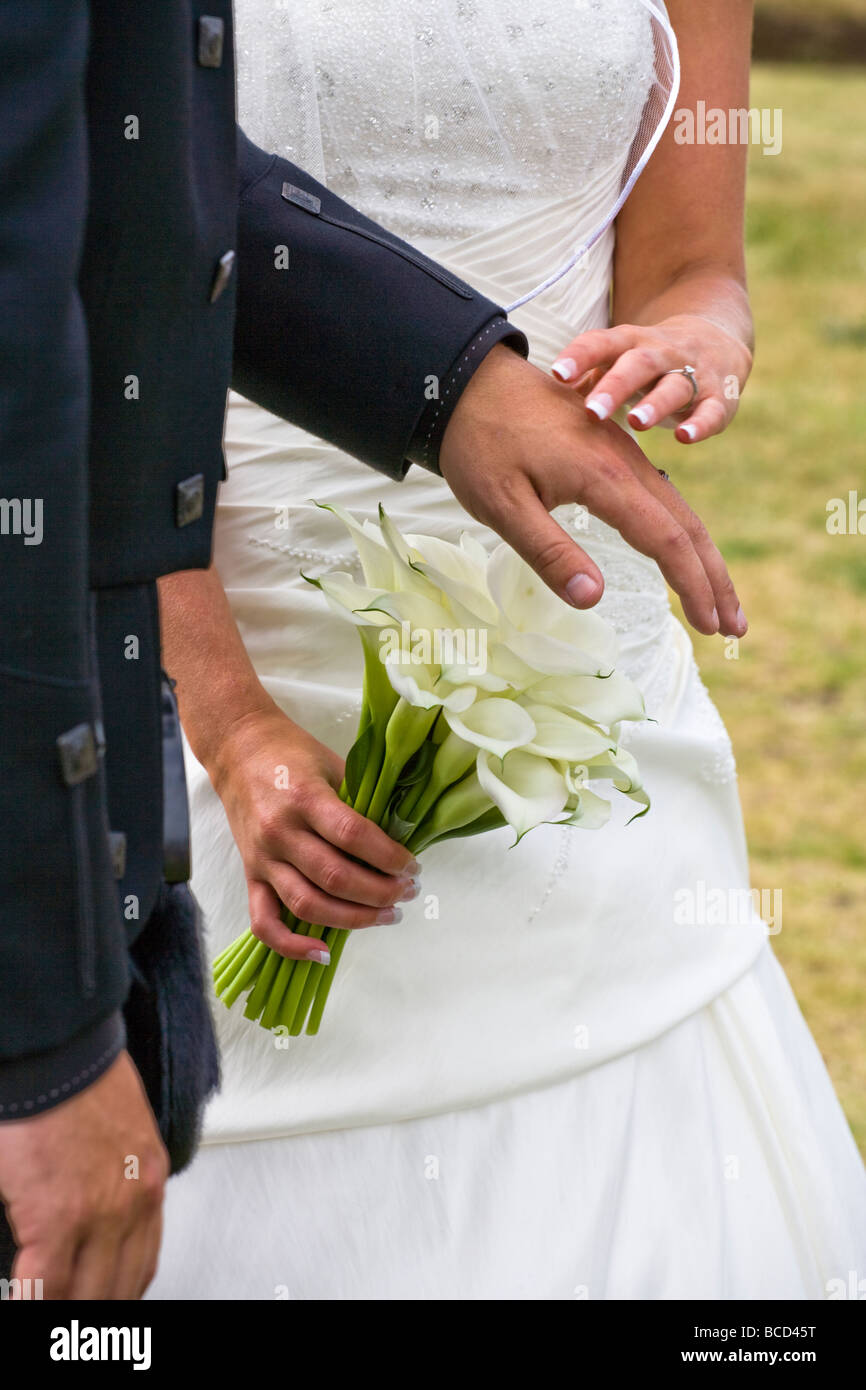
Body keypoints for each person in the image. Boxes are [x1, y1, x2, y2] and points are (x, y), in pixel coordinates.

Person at [0, 3, 739, 1299]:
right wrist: (221, 717)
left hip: (564, 598)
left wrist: (626, 347)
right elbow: (83, 264)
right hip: (197, 599)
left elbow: (695, 262)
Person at [147, 0, 866, 1299]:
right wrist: (227, 714)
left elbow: (692, 266)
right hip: (222, 614)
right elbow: (88, 309)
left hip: (575, 651)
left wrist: (699, 336)